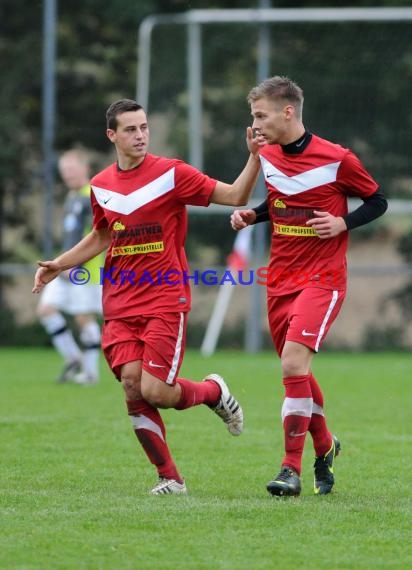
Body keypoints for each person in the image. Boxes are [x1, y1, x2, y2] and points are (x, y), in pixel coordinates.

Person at [33, 98, 261, 495]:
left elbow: (236, 195)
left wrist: (255, 157)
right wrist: (60, 264)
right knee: (132, 388)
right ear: (112, 135)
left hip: (164, 298)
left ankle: (212, 391)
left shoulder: (172, 174)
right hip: (119, 302)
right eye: (130, 129)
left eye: (144, 128)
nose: (140, 136)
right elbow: (103, 234)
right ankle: (170, 478)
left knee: (156, 390)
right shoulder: (101, 184)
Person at [231, 76, 387, 497]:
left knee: (292, 366)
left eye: (260, 115)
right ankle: (325, 446)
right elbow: (282, 200)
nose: (255, 124)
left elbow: (377, 200)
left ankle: (289, 469)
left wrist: (342, 222)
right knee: (298, 370)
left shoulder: (337, 158)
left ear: (288, 111)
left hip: (322, 279)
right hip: (279, 279)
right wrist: (253, 215)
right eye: (253, 116)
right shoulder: (267, 155)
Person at [37, 149, 103, 385]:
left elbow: (96, 235)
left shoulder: (91, 196)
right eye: (64, 170)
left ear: (85, 169)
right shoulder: (72, 197)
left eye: (72, 169)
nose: (68, 174)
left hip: (84, 270)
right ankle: (74, 358)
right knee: (46, 309)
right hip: (64, 266)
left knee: (84, 318)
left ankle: (91, 373)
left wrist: (76, 263)